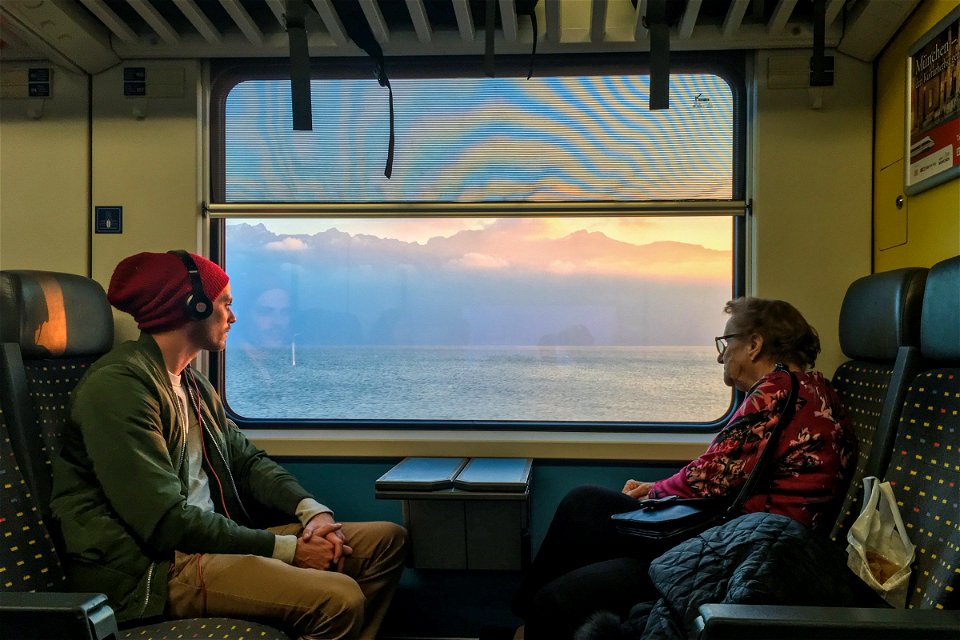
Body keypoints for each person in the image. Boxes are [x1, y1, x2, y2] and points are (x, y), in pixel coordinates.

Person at [50, 250, 407, 640]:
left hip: (204, 542)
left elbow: (247, 462)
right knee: (338, 598)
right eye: (225, 305)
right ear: (194, 306)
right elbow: (167, 523)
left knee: (384, 542)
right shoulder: (120, 388)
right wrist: (289, 550)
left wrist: (312, 513)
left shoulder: (191, 383)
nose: (233, 317)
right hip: (157, 566)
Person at [490, 297, 857, 640]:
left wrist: (654, 491)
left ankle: (528, 623)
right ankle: (527, 625)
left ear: (755, 344)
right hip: (738, 533)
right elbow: (725, 472)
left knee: (558, 592)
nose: (721, 356)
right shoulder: (813, 389)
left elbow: (711, 477)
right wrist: (657, 489)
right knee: (584, 504)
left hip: (741, 551)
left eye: (726, 342)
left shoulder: (778, 391)